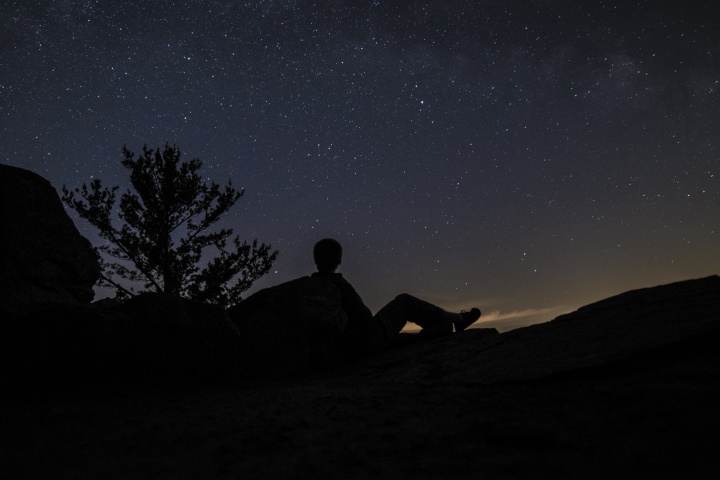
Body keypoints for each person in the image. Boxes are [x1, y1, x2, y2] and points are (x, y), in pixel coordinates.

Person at [311, 238, 481, 354]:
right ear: (339, 259)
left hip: (346, 348)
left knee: (410, 339)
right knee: (405, 302)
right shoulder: (337, 285)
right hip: (363, 342)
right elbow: (363, 318)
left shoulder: (310, 287)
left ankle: (445, 327)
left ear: (316, 260)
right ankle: (458, 319)